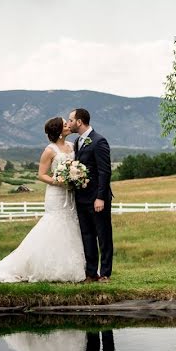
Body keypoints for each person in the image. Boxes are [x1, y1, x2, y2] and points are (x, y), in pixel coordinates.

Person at [0, 117, 85, 283]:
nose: (68, 125)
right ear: (59, 130)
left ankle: (72, 267)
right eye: (65, 123)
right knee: (54, 225)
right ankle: (45, 267)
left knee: (70, 225)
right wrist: (57, 181)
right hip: (56, 194)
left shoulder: (71, 146)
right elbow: (41, 174)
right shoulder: (50, 150)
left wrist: (75, 177)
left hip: (70, 193)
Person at [67, 108, 113, 282]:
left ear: (79, 122)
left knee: (103, 236)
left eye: (70, 120)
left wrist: (100, 197)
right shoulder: (77, 142)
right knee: (87, 235)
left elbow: (104, 171)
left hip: (97, 199)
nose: (68, 123)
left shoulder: (99, 141)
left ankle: (106, 273)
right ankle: (91, 273)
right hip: (82, 198)